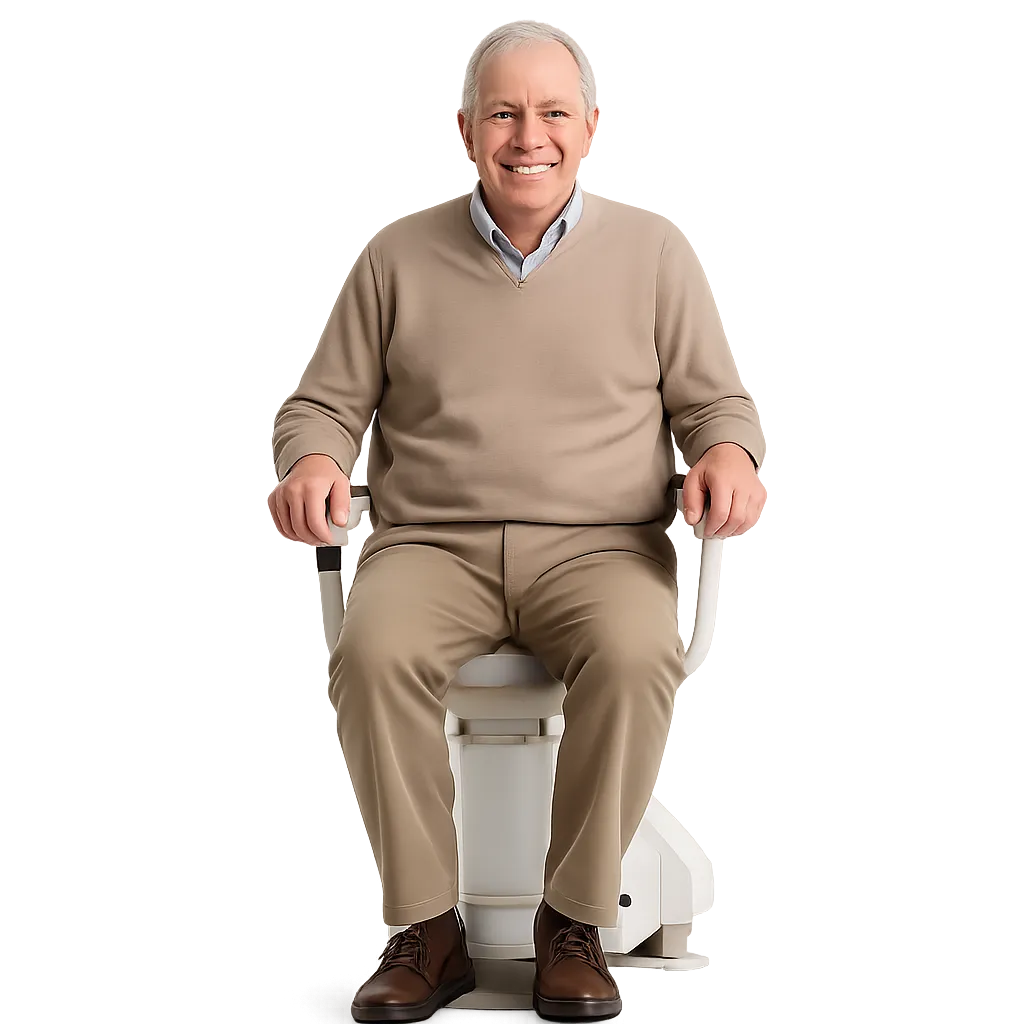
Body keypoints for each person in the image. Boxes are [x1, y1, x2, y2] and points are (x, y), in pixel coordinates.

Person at [267, 20, 766, 1023]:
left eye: (549, 113)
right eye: (502, 112)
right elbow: (321, 402)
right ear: (464, 129)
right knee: (369, 650)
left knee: (635, 651)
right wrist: (314, 457)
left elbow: (715, 404)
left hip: (601, 543)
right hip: (432, 541)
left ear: (589, 127)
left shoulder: (656, 254)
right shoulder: (396, 253)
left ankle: (573, 921)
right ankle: (426, 929)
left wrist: (727, 453)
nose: (525, 136)